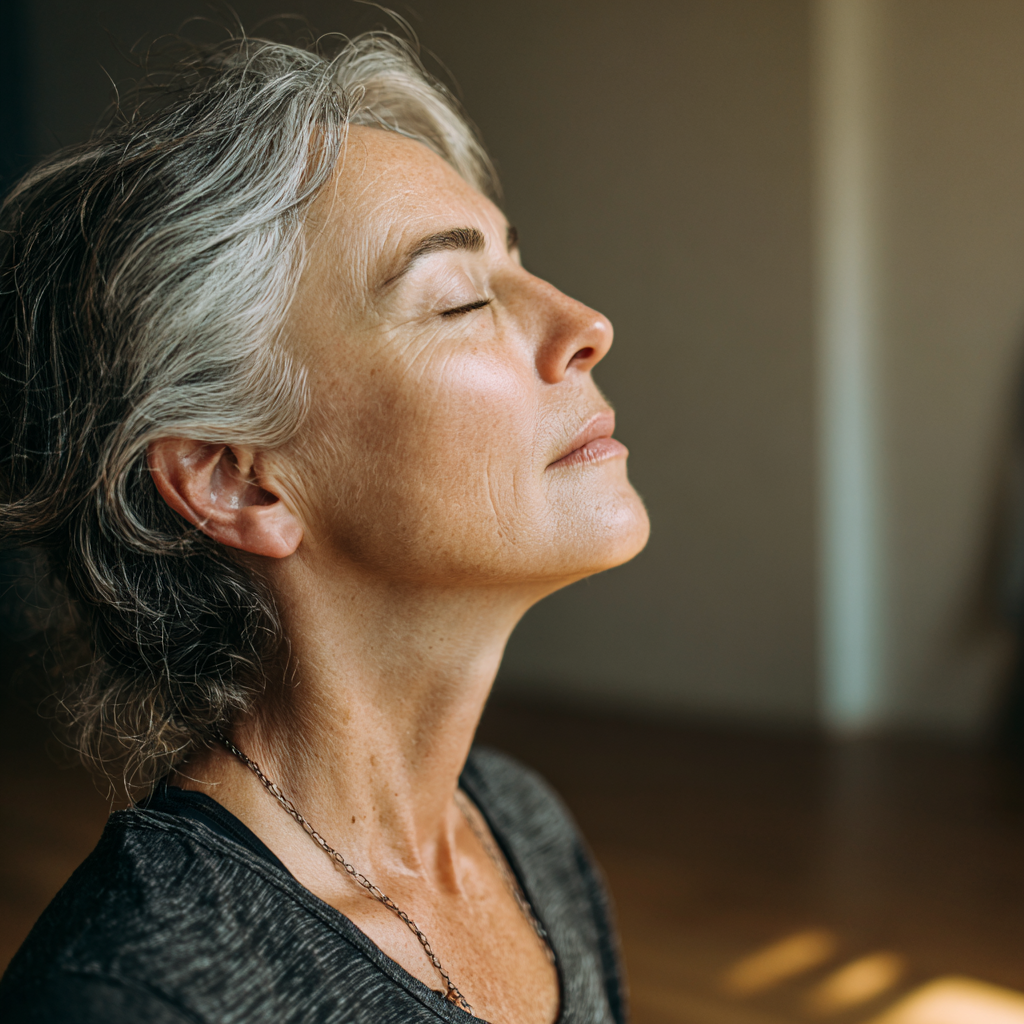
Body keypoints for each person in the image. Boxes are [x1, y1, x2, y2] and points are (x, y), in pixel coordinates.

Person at [0, 25, 649, 1024]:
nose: (585, 323)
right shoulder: (139, 993)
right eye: (460, 299)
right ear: (235, 482)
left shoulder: (521, 831)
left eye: (519, 263)